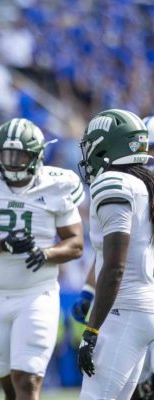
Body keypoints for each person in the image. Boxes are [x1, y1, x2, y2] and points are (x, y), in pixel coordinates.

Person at [0, 118, 84, 400]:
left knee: (28, 380)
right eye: (6, 155)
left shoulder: (56, 185)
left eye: (19, 155)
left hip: (37, 294)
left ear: (36, 156)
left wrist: (46, 253)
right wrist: (4, 244)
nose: (11, 162)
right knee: (9, 384)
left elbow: (75, 244)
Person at [77, 109, 154, 399]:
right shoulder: (143, 183)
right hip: (143, 309)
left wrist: (92, 330)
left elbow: (114, 266)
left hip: (124, 311)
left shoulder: (113, 182)